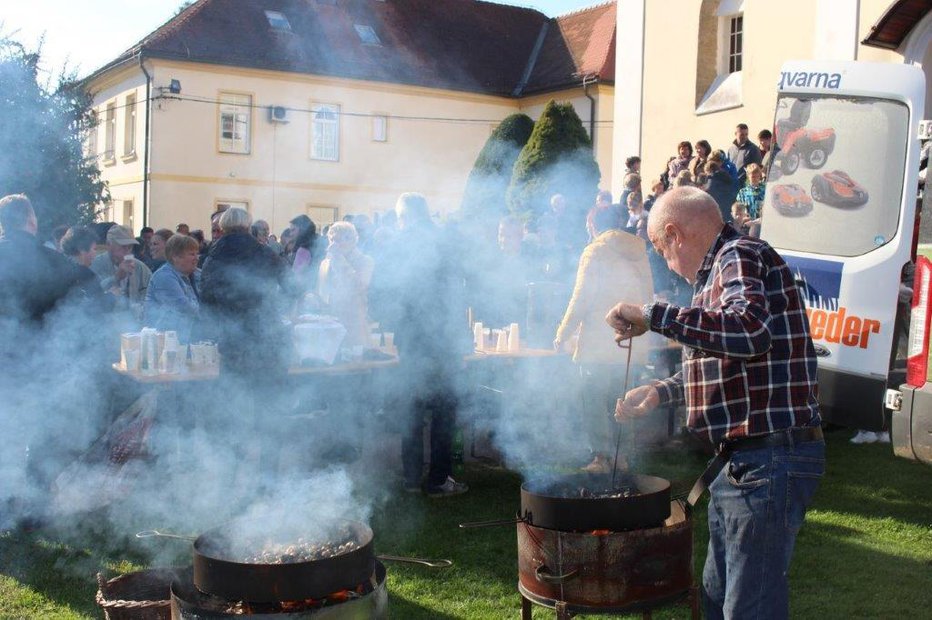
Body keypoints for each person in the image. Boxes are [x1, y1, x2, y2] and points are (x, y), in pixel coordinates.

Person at [607, 187, 824, 620]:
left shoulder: (738, 254)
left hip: (769, 458)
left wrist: (652, 314)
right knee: (716, 598)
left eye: (660, 250)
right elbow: (725, 362)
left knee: (748, 608)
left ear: (674, 233)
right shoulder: (716, 275)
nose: (666, 263)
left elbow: (749, 331)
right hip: (743, 463)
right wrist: (661, 391)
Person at [370, 192, 472, 497]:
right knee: (443, 412)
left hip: (412, 340)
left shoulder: (395, 245)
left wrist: (396, 324)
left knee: (411, 410)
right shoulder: (443, 241)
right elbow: (458, 293)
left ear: (403, 216)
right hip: (443, 341)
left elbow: (378, 295)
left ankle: (412, 479)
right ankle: (439, 480)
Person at [554, 205, 653, 473]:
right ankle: (622, 458)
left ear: (594, 225)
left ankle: (602, 458)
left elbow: (582, 297)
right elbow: (648, 296)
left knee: (594, 401)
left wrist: (562, 332)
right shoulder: (639, 252)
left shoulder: (595, 250)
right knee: (624, 399)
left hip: (599, 343)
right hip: (631, 339)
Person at [317, 222, 374, 348]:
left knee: (355, 365)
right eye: (331, 240)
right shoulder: (325, 263)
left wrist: (340, 260)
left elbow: (358, 286)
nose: (333, 245)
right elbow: (323, 293)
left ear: (353, 241)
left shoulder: (365, 261)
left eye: (337, 240)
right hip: (329, 328)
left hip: (354, 327)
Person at [144, 234, 201, 342]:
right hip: (164, 341)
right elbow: (183, 306)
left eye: (197, 254)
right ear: (175, 257)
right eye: (192, 254)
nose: (196, 258)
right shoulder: (164, 276)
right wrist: (208, 312)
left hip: (186, 338)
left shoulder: (196, 274)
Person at [90, 224, 152, 316]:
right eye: (123, 246)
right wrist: (116, 277)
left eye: (130, 247)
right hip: (105, 324)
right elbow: (92, 296)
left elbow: (151, 295)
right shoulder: (95, 265)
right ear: (109, 245)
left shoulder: (140, 268)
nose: (127, 251)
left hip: (134, 325)